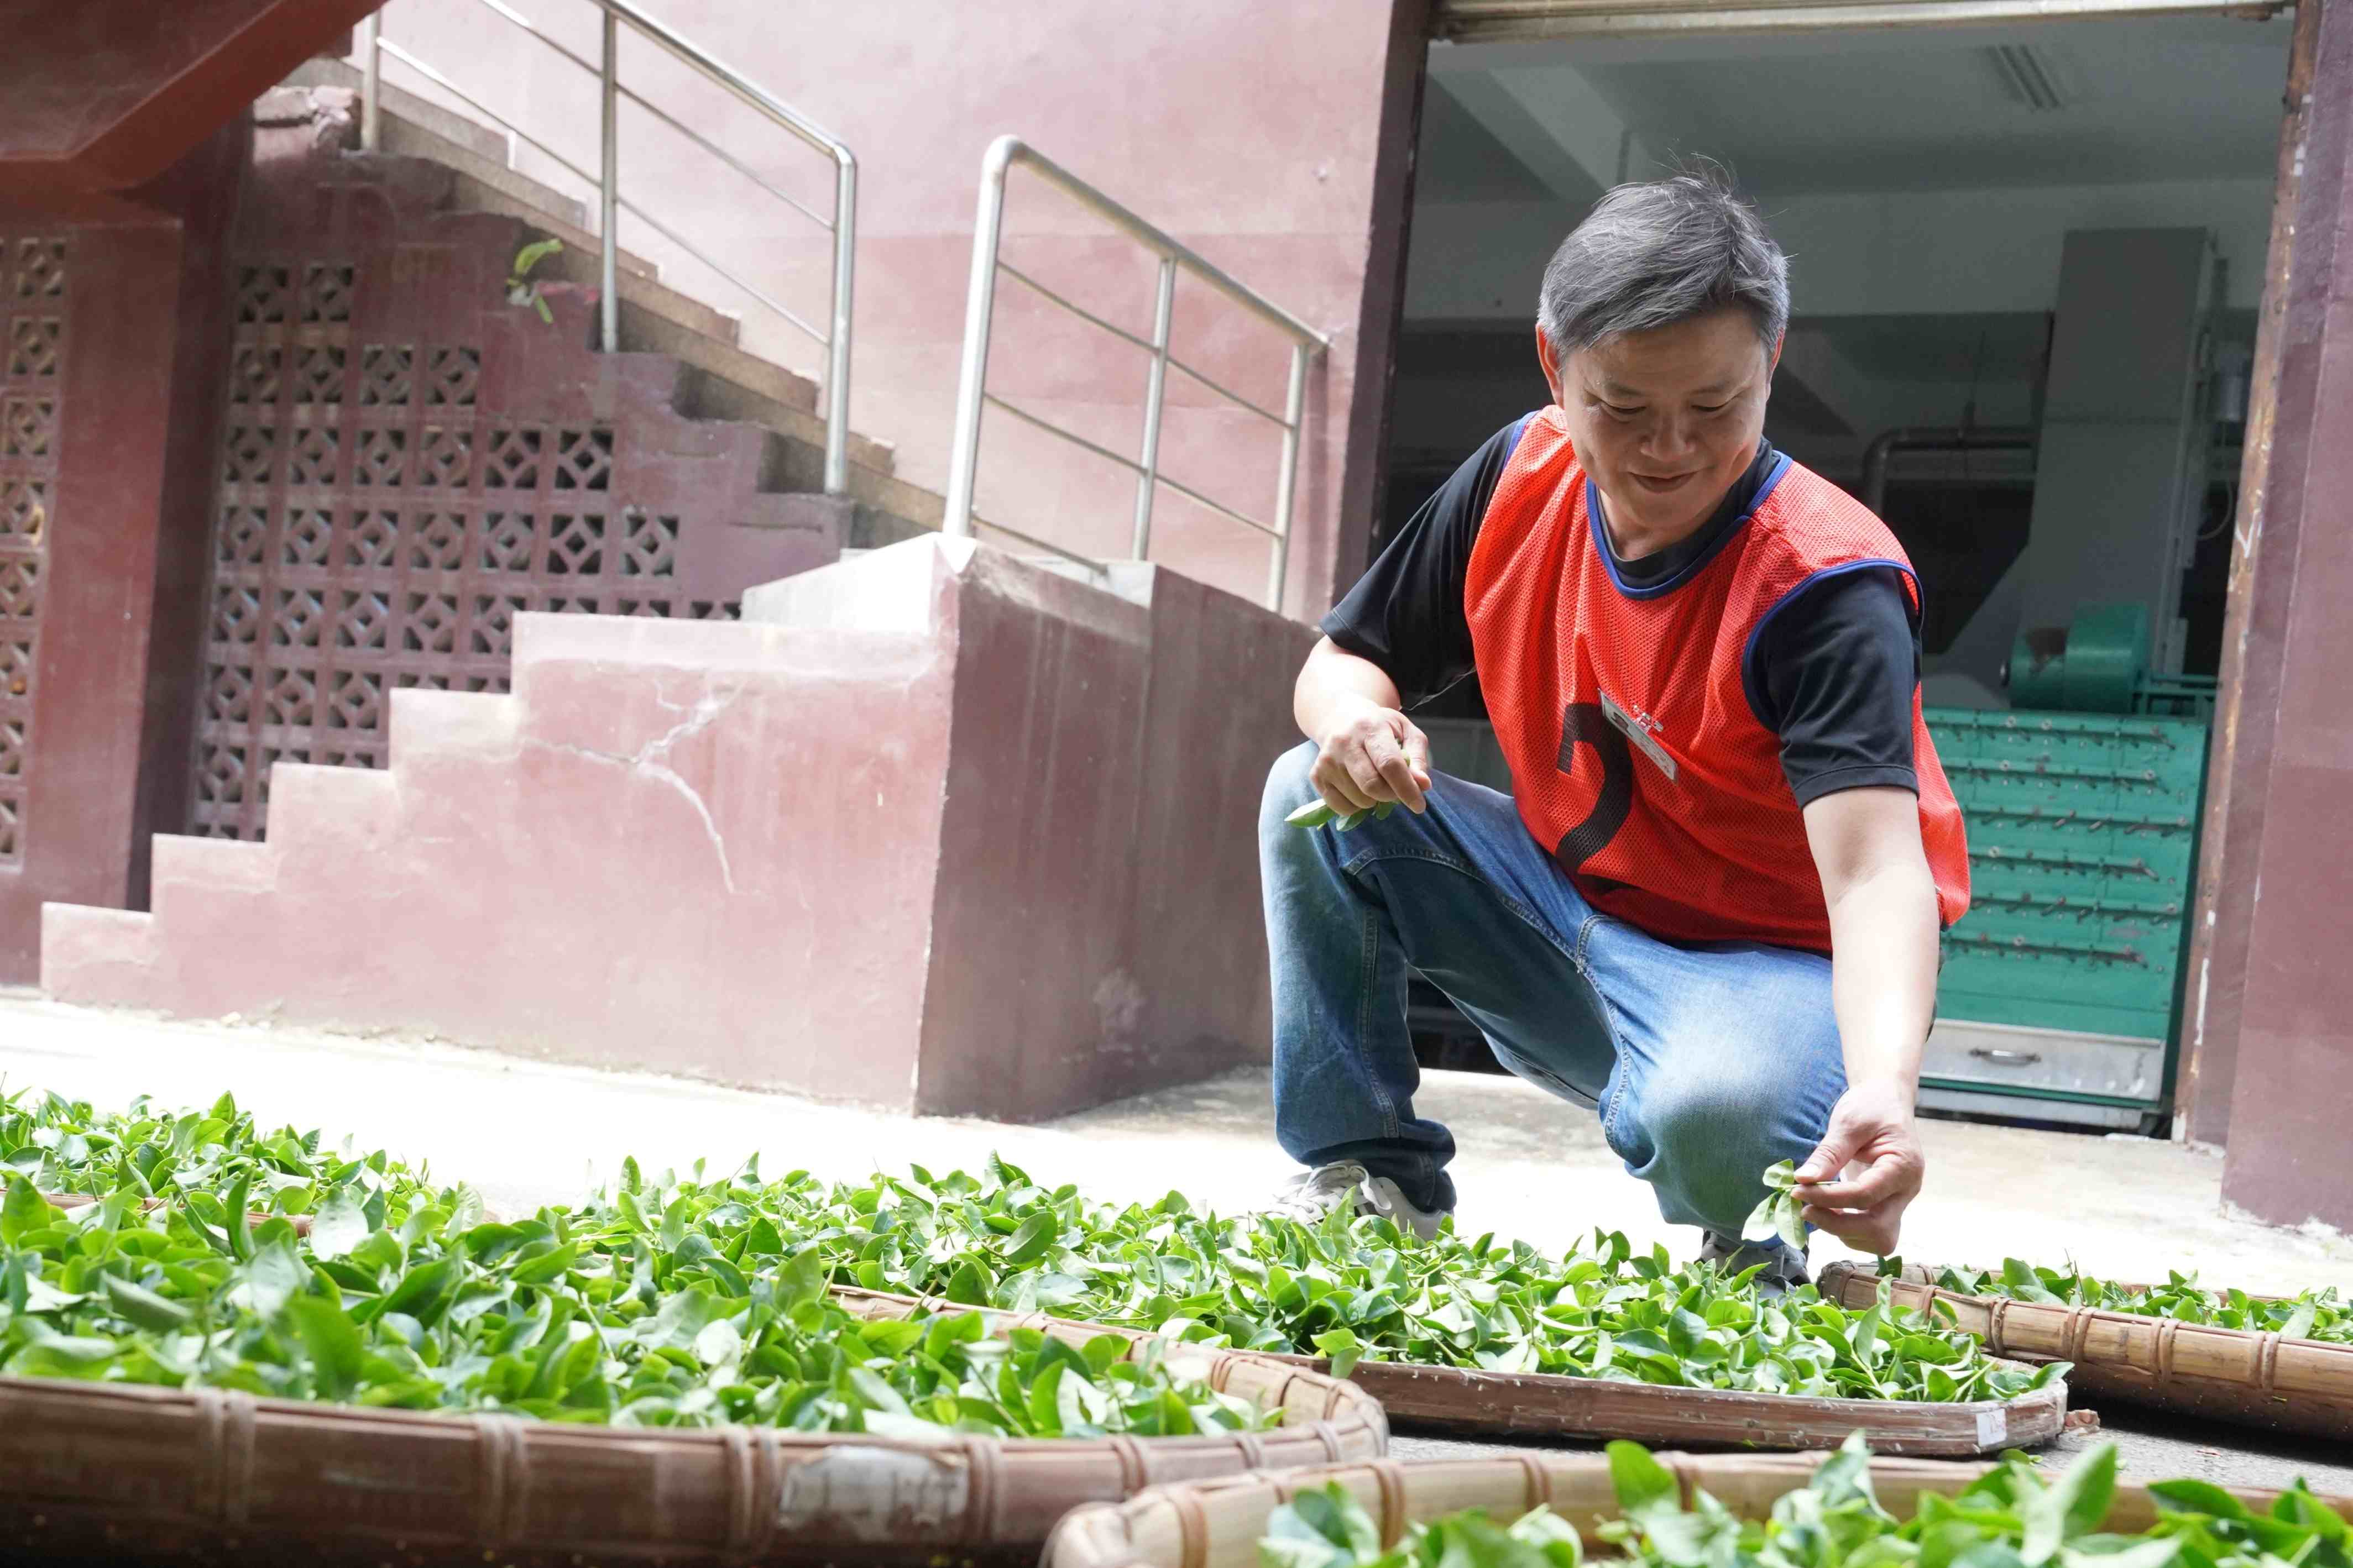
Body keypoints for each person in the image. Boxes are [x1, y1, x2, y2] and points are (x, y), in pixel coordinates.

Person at [1258, 166, 1969, 1282]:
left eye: (1716, 408)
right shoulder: (1516, 476)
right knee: (1310, 788)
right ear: (1555, 365)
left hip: (1757, 984)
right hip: (1558, 931)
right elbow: (1345, 660)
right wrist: (1352, 717)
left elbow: (1880, 869)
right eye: (1624, 409)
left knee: (1731, 1116)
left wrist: (1884, 1087)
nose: (1669, 449)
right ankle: (1369, 1178)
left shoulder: (1824, 585)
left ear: (1770, 367)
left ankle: (1750, 1230)